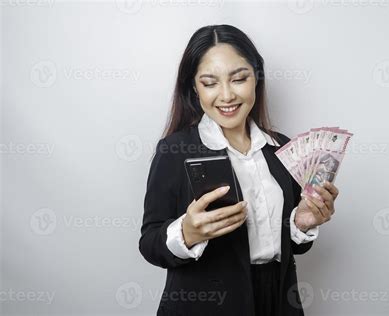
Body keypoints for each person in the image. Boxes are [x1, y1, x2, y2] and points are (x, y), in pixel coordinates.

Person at [139, 24, 339, 316]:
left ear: (256, 78)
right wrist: (188, 233)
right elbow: (149, 243)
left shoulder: (281, 148)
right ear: (194, 88)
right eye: (209, 83)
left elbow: (290, 249)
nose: (227, 95)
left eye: (239, 79)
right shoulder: (174, 150)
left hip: (278, 302)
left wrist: (302, 224)